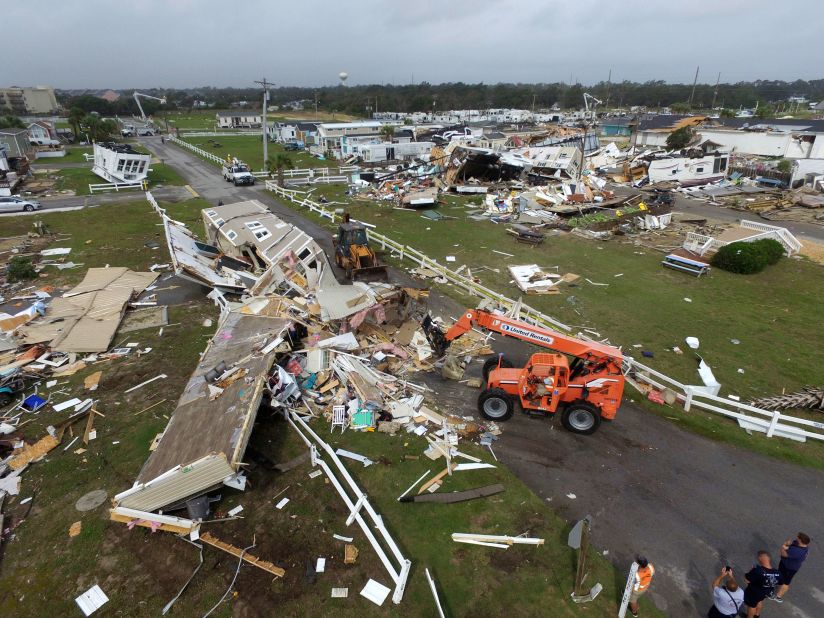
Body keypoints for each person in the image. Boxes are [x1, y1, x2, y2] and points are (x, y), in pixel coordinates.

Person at [773, 532, 810, 603]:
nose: (796, 538)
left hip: (790, 568)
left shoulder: (797, 551)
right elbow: (791, 547)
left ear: (800, 540)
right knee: (780, 575)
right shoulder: (803, 546)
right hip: (786, 564)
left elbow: (783, 554)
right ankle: (777, 583)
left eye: (797, 537)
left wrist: (783, 546)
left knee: (786, 582)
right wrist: (788, 545)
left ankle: (778, 596)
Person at [744, 551, 780, 618]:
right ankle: (757, 615)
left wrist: (751, 570)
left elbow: (747, 580)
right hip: (765, 593)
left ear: (760, 558)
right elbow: (780, 582)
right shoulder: (777, 572)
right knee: (759, 601)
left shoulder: (757, 570)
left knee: (752, 606)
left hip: (754, 592)